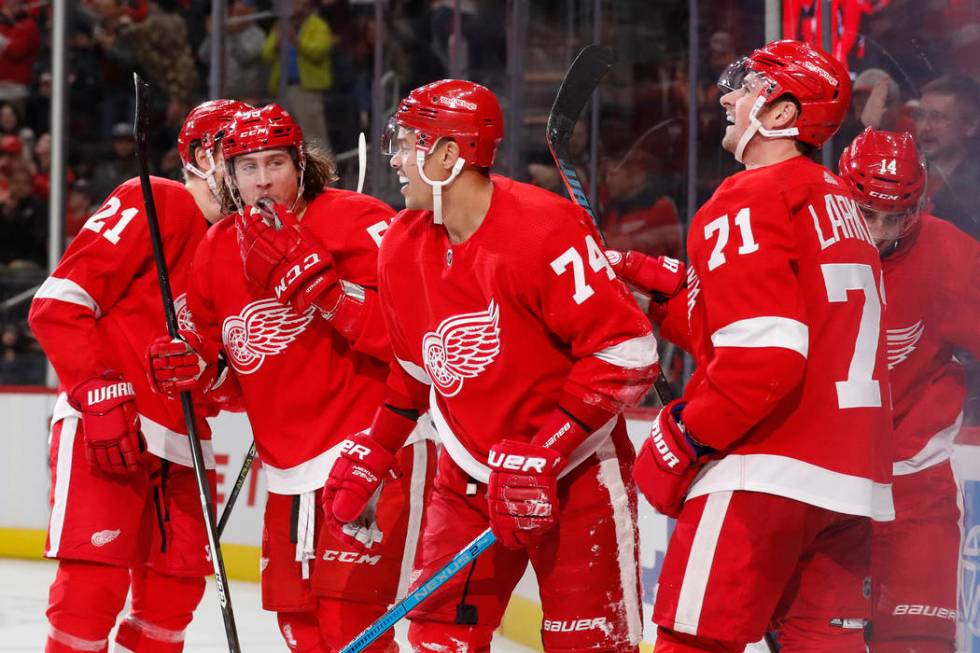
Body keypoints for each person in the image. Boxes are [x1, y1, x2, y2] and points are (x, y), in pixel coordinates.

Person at [324, 79, 661, 651]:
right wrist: (376, 449)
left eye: (408, 144)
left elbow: (626, 352)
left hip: (574, 475)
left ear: (449, 155)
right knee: (438, 640)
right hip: (465, 476)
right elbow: (416, 366)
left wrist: (547, 449)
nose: (397, 159)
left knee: (592, 645)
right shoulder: (402, 244)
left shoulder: (543, 227)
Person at [610, 40, 894, 651]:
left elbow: (765, 361)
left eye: (749, 88)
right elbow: (797, 331)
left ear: (784, 114)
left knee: (695, 641)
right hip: (847, 481)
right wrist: (673, 298)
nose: (730, 98)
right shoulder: (839, 202)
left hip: (764, 469)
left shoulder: (746, 198)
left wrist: (686, 434)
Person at [147, 103, 435, 653]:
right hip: (286, 471)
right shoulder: (215, 249)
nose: (262, 180)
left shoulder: (359, 220)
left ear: (300, 163)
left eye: (274, 163)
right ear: (228, 175)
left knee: (353, 627)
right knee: (299, 629)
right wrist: (194, 372)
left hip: (372, 449)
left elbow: (415, 342)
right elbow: (235, 380)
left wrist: (325, 290)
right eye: (247, 166)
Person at [27, 99, 248, 653]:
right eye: (239, 157)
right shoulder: (157, 200)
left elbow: (231, 377)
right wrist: (99, 393)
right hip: (109, 426)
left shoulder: (242, 247)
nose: (251, 174)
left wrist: (209, 376)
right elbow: (58, 302)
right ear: (202, 155)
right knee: (92, 591)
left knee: (174, 600)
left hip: (181, 445)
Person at [838, 127, 980, 653]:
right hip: (816, 487)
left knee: (916, 646)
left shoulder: (950, 256)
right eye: (866, 214)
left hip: (913, 486)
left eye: (894, 217)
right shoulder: (801, 242)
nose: (877, 233)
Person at [913, 74, 980, 240]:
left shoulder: (974, 195)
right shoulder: (907, 174)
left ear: (970, 126)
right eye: (920, 115)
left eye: (937, 117)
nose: (924, 126)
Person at [261, 0, 333, 148]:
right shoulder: (280, 26)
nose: (291, 5)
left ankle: (323, 171)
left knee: (313, 137)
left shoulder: (318, 26)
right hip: (281, 89)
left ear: (307, 5)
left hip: (305, 90)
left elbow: (318, 52)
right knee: (283, 137)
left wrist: (296, 41)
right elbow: (265, 54)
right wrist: (277, 42)